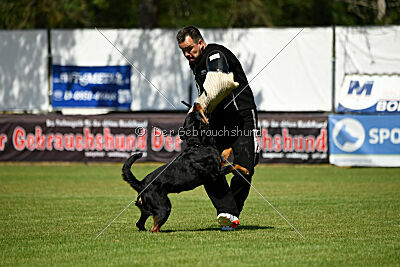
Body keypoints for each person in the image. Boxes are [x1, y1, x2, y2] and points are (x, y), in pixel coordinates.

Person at [176, 26, 259, 231]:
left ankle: (232, 213)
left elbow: (219, 82)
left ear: (200, 43)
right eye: (183, 51)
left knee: (245, 168)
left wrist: (199, 105)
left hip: (241, 117)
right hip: (217, 122)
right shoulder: (195, 64)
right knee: (206, 165)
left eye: (190, 49)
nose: (187, 54)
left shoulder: (215, 54)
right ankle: (227, 212)